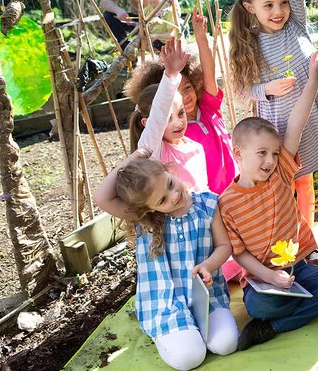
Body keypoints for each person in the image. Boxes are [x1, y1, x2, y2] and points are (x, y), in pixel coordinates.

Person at [218, 49, 318, 351]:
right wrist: (269, 276)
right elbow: (239, 254)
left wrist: (314, 80)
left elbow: (296, 124)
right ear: (238, 154)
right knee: (258, 307)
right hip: (263, 279)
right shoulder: (226, 203)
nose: (270, 160)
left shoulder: (280, 172)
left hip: (299, 267)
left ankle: (275, 327)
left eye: (274, 153)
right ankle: (309, 307)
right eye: (261, 153)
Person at [227, 0, 318, 265]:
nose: (278, 11)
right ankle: (287, 244)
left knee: (305, 182)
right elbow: (240, 92)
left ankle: (309, 242)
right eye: (268, 5)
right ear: (250, 8)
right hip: (279, 130)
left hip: (311, 120)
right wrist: (266, 90)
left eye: (282, 3)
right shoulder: (249, 45)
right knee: (284, 185)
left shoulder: (296, 24)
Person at [93, 150, 238, 370]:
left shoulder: (208, 204)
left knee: (227, 344)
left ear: (169, 171)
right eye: (162, 200)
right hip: (166, 303)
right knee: (190, 358)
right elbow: (101, 197)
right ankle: (166, 333)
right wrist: (132, 159)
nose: (173, 196)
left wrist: (209, 265)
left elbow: (224, 246)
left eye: (170, 184)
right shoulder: (145, 219)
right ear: (148, 208)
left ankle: (192, 329)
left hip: (208, 298)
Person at [124, 8, 238, 195]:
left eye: (187, 88)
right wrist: (171, 74)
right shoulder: (170, 135)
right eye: (176, 93)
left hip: (236, 188)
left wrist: (201, 38)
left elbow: (209, 70)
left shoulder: (209, 108)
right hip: (208, 200)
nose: (185, 96)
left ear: (196, 84)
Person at [128, 37, 208, 192]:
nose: (178, 123)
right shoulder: (154, 150)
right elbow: (158, 114)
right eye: (168, 118)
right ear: (147, 123)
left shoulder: (195, 147)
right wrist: (170, 75)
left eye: (181, 113)